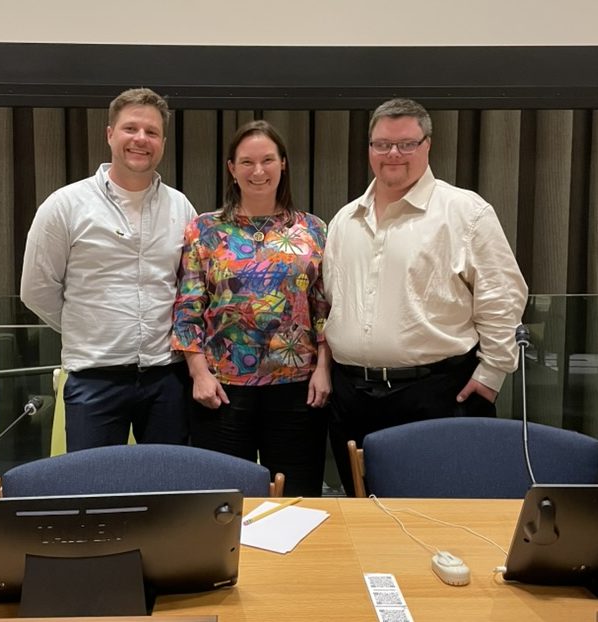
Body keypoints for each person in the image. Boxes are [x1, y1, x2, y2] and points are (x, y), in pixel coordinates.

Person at [323, 97, 528, 496]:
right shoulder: (345, 220)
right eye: (382, 144)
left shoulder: (465, 213)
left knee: (437, 517)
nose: (393, 154)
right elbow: (334, 301)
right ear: (369, 148)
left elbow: (503, 298)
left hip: (436, 395)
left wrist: (491, 374)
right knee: (362, 512)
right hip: (352, 399)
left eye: (406, 143)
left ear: (428, 145)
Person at [21, 87, 197, 451]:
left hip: (167, 378)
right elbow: (37, 290)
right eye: (131, 128)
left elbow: (191, 290)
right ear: (110, 134)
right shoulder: (65, 205)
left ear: (163, 142)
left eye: (151, 132)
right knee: (94, 494)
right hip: (94, 381)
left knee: (167, 490)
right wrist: (86, 326)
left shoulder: (181, 207)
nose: (141, 139)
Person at [172, 120, 330, 496]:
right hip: (222, 390)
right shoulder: (205, 230)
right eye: (247, 162)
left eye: (267, 160)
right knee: (224, 503)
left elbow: (324, 306)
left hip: (297, 389)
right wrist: (198, 374)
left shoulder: (312, 230)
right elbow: (188, 305)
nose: (258, 171)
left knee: (299, 498)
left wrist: (324, 368)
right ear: (232, 168)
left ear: (283, 164)